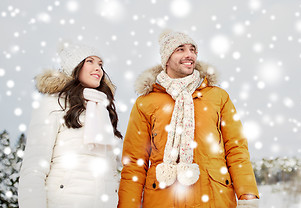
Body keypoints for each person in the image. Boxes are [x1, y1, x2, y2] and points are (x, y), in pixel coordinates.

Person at [118, 30, 259, 208]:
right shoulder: (145, 103)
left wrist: (247, 195)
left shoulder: (218, 97)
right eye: (180, 49)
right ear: (166, 58)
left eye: (193, 49)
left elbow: (236, 150)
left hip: (214, 199)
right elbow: (134, 162)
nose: (189, 55)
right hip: (163, 199)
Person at [18, 42, 122, 208]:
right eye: (90, 61)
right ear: (75, 67)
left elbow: (111, 171)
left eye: (100, 64)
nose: (98, 69)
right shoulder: (53, 104)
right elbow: (34, 167)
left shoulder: (103, 110)